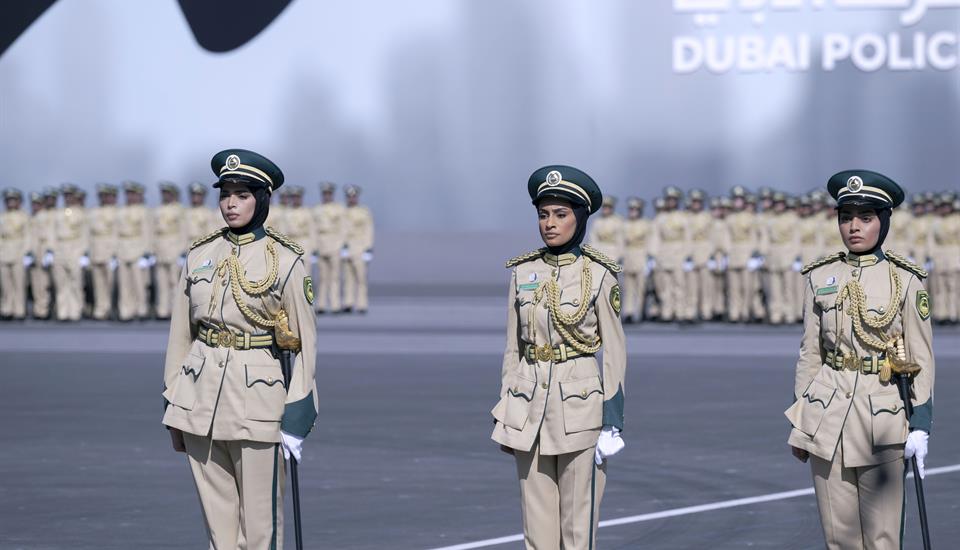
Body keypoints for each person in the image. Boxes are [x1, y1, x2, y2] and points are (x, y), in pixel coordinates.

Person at [162, 149, 317, 550]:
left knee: (260, 528)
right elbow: (181, 334)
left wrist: (299, 410)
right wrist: (172, 401)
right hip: (200, 399)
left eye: (242, 194)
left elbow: (305, 344)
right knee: (219, 529)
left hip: (257, 401)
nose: (231, 203)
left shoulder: (285, 260)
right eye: (226, 193)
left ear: (262, 199)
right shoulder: (200, 255)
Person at [785, 170, 934, 550]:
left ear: (883, 223)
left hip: (882, 419)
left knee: (882, 538)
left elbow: (922, 358)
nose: (853, 227)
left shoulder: (905, 279)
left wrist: (920, 424)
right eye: (846, 217)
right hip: (827, 415)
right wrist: (803, 420)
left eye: (865, 218)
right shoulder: (820, 277)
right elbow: (810, 353)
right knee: (839, 538)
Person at [491, 165, 626, 550]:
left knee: (577, 530)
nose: (550, 224)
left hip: (580, 410)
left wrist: (612, 422)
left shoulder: (599, 275)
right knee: (538, 532)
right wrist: (507, 410)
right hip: (528, 409)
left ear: (579, 219)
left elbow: (615, 353)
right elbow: (513, 348)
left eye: (560, 215)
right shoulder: (523, 272)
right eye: (543, 214)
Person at [117, 181, 153, 321]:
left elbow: (148, 233)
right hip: (123, 248)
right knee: (124, 284)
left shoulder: (144, 211)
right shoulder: (121, 211)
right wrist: (115, 251)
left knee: (139, 283)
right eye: (128, 194)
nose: (130, 197)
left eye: (133, 194)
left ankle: (141, 309)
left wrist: (147, 252)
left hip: (138, 249)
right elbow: (116, 232)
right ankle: (126, 311)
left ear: (139, 195)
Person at [312, 182, 346, 314]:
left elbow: (343, 227)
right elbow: (313, 229)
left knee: (335, 276)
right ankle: (321, 304)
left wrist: (342, 245)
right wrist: (314, 247)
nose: (326, 196)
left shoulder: (339, 209)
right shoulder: (317, 209)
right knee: (322, 277)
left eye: (329, 194)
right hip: (321, 243)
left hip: (334, 243)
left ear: (332, 195)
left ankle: (335, 304)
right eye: (324, 194)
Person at [154, 181, 186, 319]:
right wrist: (152, 249)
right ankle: (162, 310)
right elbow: (153, 231)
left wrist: (183, 249)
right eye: (163, 193)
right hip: (160, 248)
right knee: (161, 282)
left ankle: (174, 311)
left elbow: (184, 231)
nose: (165, 195)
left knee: (174, 282)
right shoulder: (158, 209)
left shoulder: (179, 209)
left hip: (174, 248)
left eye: (167, 193)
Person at [341, 184, 374, 314]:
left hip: (360, 247)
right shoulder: (343, 212)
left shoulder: (364, 212)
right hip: (347, 247)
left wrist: (368, 248)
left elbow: (368, 230)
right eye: (349, 197)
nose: (351, 199)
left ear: (357, 198)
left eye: (353, 197)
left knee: (361, 278)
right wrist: (342, 247)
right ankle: (348, 303)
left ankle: (361, 304)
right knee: (347, 277)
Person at [621, 197, 651, 323]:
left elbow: (651, 241)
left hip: (641, 256)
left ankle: (639, 313)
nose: (633, 212)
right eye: (631, 209)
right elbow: (620, 242)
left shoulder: (646, 224)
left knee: (641, 287)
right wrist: (620, 256)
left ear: (640, 211)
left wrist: (650, 258)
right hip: (628, 256)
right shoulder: (624, 224)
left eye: (635, 209)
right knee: (628, 287)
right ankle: (628, 312)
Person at [0, 188, 29, 320]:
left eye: (13, 200)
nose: (10, 203)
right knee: (5, 284)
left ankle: (19, 310)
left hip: (18, 252)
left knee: (18, 283)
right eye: (8, 200)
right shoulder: (2, 216)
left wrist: (26, 253)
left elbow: (28, 236)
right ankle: (7, 309)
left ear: (19, 202)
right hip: (4, 252)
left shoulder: (24, 217)